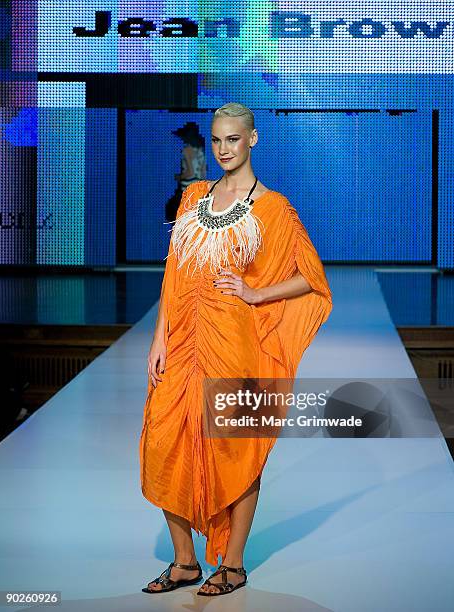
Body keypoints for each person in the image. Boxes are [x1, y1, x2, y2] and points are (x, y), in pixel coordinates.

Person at [140, 102, 333, 596]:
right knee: (167, 439)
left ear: (253, 140)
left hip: (235, 339)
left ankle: (234, 562)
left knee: (236, 446)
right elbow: (174, 272)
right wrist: (160, 335)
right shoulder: (193, 198)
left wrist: (256, 293)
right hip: (183, 338)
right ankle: (184, 562)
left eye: (233, 139)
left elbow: (309, 277)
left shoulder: (272, 207)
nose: (224, 149)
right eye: (217, 140)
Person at [165, 122, 206, 222]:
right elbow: (203, 171)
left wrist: (178, 177)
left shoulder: (187, 150)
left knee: (176, 215)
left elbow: (190, 172)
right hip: (199, 189)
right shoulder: (200, 150)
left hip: (187, 189)